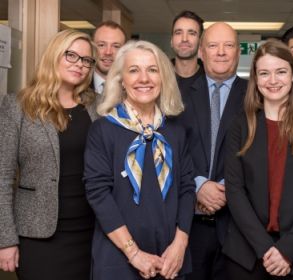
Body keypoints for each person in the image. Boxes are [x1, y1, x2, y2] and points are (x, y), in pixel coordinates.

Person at [83, 40, 196, 280]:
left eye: (152, 70)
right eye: (134, 70)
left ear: (163, 78)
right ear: (121, 80)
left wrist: (180, 244)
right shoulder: (103, 130)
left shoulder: (175, 130)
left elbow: (187, 188)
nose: (144, 78)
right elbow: (98, 194)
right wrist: (134, 254)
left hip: (170, 260)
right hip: (119, 259)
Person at [223, 39, 293, 279]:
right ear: (255, 78)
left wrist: (287, 250)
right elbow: (235, 191)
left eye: (281, 71)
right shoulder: (241, 125)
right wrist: (265, 248)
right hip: (247, 254)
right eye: (264, 73)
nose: (273, 81)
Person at [0, 29, 98, 279]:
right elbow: (2, 177)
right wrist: (5, 240)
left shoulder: (98, 107)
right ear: (54, 55)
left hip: (92, 232)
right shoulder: (18, 106)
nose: (80, 65)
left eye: (86, 60)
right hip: (38, 235)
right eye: (72, 56)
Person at [178, 22, 248, 280]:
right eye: (213, 45)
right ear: (200, 52)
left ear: (237, 52)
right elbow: (171, 151)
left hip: (237, 225)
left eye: (228, 45)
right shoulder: (176, 95)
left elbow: (259, 156)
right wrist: (199, 184)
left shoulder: (256, 95)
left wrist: (228, 188)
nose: (221, 52)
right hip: (188, 224)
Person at [170, 10, 205, 91]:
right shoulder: (159, 77)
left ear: (200, 42)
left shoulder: (210, 80)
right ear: (171, 41)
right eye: (178, 33)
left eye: (192, 33)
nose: (184, 39)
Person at [92, 20, 127, 94]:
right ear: (92, 48)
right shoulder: (76, 86)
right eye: (101, 45)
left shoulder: (133, 89)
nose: (108, 52)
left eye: (116, 46)